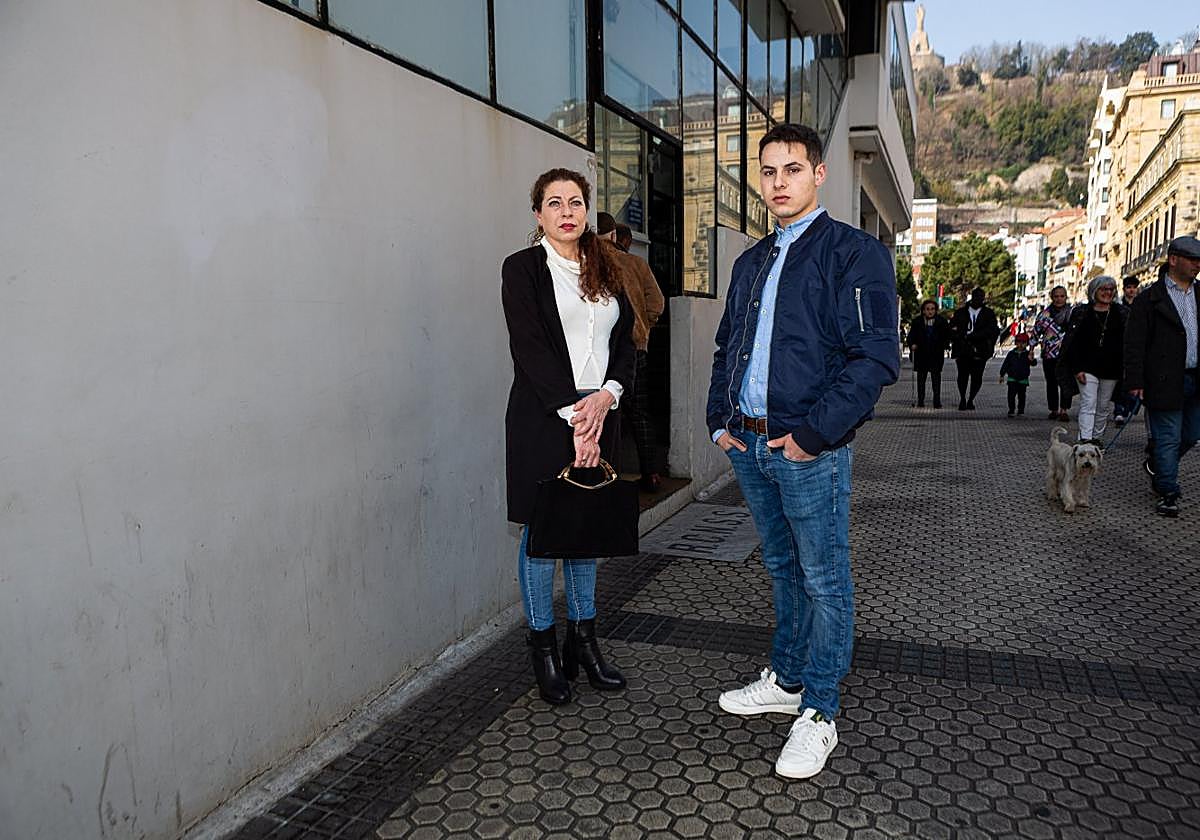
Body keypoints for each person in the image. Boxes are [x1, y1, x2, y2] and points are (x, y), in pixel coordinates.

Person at [706, 123, 898, 779]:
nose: (778, 182)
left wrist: (814, 435)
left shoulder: (854, 253)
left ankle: (819, 709)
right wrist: (719, 421)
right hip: (749, 444)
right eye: (768, 171)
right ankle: (787, 677)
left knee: (824, 579)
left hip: (807, 449)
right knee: (783, 570)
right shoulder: (751, 260)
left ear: (819, 174)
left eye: (791, 169)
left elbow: (872, 359)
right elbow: (727, 345)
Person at [501, 168, 634, 704]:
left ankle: (585, 644)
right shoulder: (522, 269)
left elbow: (628, 341)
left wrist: (608, 396)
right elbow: (529, 346)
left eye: (575, 202)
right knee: (540, 538)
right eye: (554, 203)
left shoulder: (609, 267)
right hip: (543, 417)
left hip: (602, 415)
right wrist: (576, 414)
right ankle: (544, 650)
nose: (567, 211)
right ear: (538, 215)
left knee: (586, 534)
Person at [1124, 235, 1200, 517]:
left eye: (1199, 260)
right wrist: (1135, 381)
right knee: (1168, 436)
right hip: (1164, 379)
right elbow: (1134, 343)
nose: (1197, 265)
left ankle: (1157, 463)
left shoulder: (1199, 293)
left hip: (1196, 378)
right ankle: (1168, 490)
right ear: (1173, 260)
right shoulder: (1149, 299)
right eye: (1192, 259)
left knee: (1192, 433)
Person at [603, 217, 666, 491]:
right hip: (636, 347)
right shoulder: (636, 264)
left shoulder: (587, 261)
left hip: (602, 350)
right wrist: (643, 326)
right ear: (615, 235)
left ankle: (607, 477)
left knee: (605, 414)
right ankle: (651, 474)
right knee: (640, 413)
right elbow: (658, 303)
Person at [1060, 275, 1124, 443]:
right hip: (1086, 367)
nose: (1107, 293)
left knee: (1103, 407)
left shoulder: (1121, 313)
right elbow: (1072, 342)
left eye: (1110, 289)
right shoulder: (1082, 312)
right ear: (1094, 291)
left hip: (1111, 368)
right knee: (1088, 403)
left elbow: (1128, 341)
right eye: (1103, 289)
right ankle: (1085, 440)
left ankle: (1096, 438)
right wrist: (1076, 368)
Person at [949, 287, 999, 410]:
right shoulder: (961, 312)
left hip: (980, 349)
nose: (978, 299)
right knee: (962, 376)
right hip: (963, 349)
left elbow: (992, 330)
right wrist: (959, 337)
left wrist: (984, 342)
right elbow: (953, 328)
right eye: (976, 296)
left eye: (981, 297)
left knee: (977, 377)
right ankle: (962, 398)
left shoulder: (988, 313)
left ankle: (971, 398)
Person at [1031, 285, 1074, 421]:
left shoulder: (1073, 312)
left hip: (1067, 354)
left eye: (1062, 296)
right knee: (1051, 382)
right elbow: (1036, 332)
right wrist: (1031, 350)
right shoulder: (1044, 314)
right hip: (1049, 354)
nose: (1059, 299)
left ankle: (1064, 409)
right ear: (1052, 297)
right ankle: (1054, 409)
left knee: (1066, 382)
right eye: (1056, 296)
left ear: (1066, 297)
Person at [907, 299, 952, 408]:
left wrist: (945, 345)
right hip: (921, 354)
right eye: (927, 309)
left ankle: (937, 400)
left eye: (932, 309)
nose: (930, 312)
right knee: (921, 379)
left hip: (936, 354)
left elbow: (947, 335)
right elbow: (911, 336)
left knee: (936, 379)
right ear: (923, 311)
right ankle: (920, 400)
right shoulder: (917, 322)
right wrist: (912, 344)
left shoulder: (941, 321)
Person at [1112, 276, 1141, 426]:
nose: (1131, 290)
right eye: (1129, 287)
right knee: (1120, 382)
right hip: (1120, 348)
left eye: (1134, 287)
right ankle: (1118, 411)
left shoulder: (1141, 305)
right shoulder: (1118, 306)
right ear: (1124, 289)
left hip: (1136, 349)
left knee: (1132, 380)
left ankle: (1126, 408)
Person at [998, 332, 1037, 416]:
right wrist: (1002, 374)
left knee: (1022, 396)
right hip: (1012, 378)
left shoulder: (1027, 354)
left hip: (1023, 379)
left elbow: (1034, 363)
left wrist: (1032, 359)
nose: (1021, 345)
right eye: (1019, 342)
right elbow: (1006, 364)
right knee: (1011, 395)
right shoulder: (1011, 354)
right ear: (1016, 343)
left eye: (1023, 343)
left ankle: (1021, 410)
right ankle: (1011, 409)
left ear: (1027, 344)